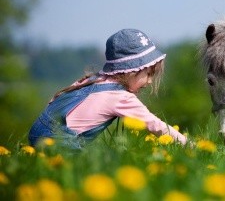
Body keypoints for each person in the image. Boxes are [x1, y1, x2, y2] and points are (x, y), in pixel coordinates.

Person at [28, 29, 188, 149]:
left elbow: (56, 100)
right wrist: (190, 145)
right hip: (60, 141)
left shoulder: (93, 79)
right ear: (132, 70)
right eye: (148, 73)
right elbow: (155, 125)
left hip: (38, 130)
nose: (150, 81)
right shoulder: (121, 97)